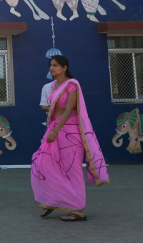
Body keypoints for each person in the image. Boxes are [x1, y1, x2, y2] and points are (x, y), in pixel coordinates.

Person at [31, 56, 109, 221]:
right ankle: (52, 201)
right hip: (54, 129)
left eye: (55, 65)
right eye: (50, 65)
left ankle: (78, 210)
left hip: (69, 131)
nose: (51, 68)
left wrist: (56, 130)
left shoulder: (72, 84)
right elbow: (49, 107)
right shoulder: (52, 86)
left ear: (64, 67)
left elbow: (68, 109)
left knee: (71, 169)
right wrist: (53, 130)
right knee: (43, 164)